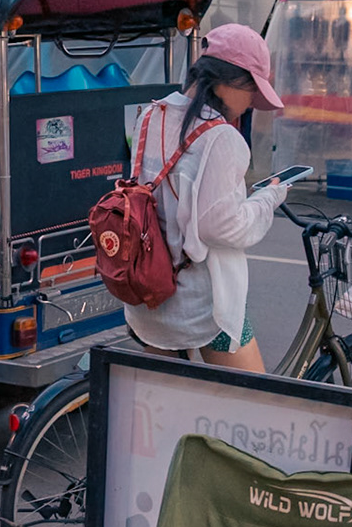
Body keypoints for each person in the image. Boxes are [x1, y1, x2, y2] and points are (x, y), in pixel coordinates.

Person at [123, 25, 290, 373]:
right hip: (201, 305)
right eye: (252, 91)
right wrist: (267, 199)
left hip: (148, 294)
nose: (251, 104)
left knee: (159, 400)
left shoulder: (150, 115)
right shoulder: (221, 138)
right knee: (253, 399)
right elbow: (220, 226)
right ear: (231, 80)